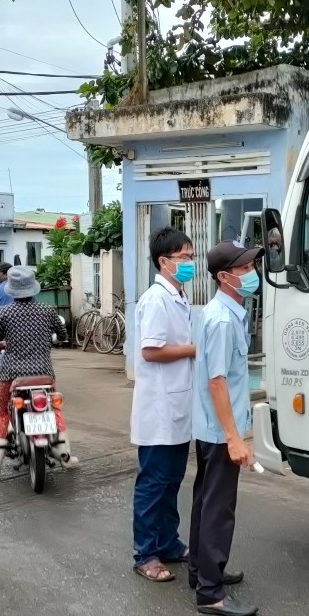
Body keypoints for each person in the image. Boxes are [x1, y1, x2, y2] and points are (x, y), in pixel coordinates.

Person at [189, 241, 262, 616]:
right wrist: (234, 438)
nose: (252, 273)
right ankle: (210, 593)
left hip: (214, 425)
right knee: (219, 509)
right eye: (245, 268)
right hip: (220, 430)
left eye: (251, 265)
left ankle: (200, 572)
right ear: (224, 277)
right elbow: (216, 382)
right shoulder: (220, 319)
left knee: (206, 501)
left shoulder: (226, 311)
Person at [130, 227, 197, 583]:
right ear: (164, 261)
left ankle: (169, 543)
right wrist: (193, 348)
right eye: (184, 258)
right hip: (158, 411)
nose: (189, 264)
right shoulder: (156, 299)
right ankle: (146, 553)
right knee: (154, 483)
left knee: (171, 480)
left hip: (176, 408)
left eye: (191, 257)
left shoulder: (178, 296)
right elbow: (150, 350)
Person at [0, 265, 77, 474]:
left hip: (11, 374)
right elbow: (63, 335)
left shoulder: (4, 314)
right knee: (54, 409)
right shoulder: (48, 310)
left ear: (11, 289)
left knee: (1, 413)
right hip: (44, 373)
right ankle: (66, 455)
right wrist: (54, 339)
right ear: (33, 288)